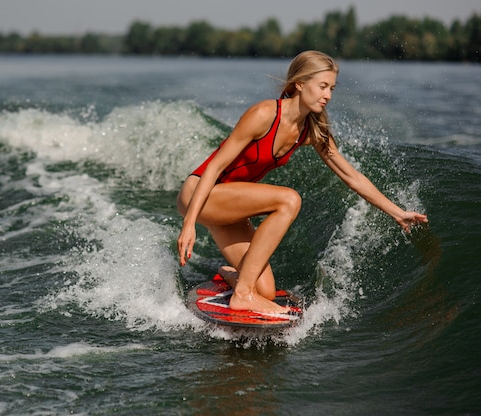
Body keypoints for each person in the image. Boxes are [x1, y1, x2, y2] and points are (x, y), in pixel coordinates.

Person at [176, 50, 428, 315]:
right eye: (322, 86)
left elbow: (351, 176)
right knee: (289, 199)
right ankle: (242, 294)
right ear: (299, 83)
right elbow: (215, 166)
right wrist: (190, 223)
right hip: (199, 195)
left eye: (331, 88)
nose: (328, 95)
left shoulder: (311, 130)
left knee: (267, 291)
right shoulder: (264, 114)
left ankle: (234, 277)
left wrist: (397, 213)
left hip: (228, 207)